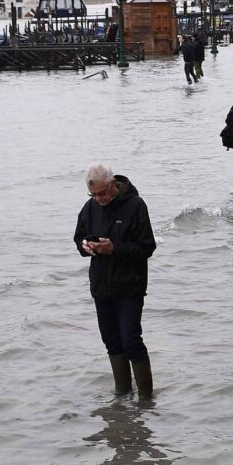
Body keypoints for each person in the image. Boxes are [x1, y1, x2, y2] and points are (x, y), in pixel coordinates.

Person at [74, 164, 157, 398]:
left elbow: (147, 247)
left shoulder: (136, 205)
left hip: (130, 286)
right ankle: (122, 395)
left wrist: (115, 249)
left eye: (102, 193)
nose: (98, 199)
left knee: (131, 340)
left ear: (113, 185)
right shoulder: (90, 208)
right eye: (94, 195)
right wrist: (84, 246)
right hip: (101, 287)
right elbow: (79, 237)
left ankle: (146, 399)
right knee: (111, 341)